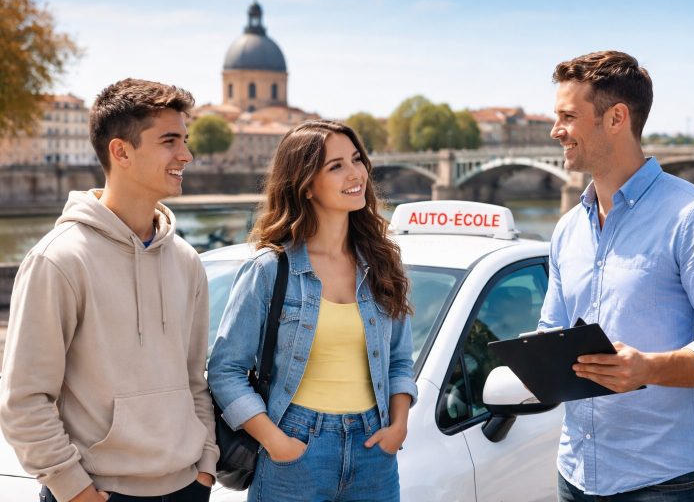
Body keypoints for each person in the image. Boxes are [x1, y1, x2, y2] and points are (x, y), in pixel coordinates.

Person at [539, 51, 694, 501]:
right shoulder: (567, 229)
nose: (555, 130)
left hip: (666, 481)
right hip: (575, 474)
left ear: (616, 117)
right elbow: (552, 331)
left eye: (567, 116)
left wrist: (648, 368)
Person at [0, 79, 218, 501]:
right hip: (97, 492)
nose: (186, 155)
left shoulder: (187, 260)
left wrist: (205, 466)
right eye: (169, 141)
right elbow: (24, 399)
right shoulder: (59, 260)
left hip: (187, 488)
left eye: (185, 140)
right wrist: (73, 489)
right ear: (121, 151)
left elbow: (194, 379)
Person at [207, 119, 417, 502]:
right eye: (335, 166)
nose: (355, 174)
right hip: (295, 447)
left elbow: (400, 360)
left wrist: (399, 426)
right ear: (305, 184)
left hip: (374, 449)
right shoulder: (270, 269)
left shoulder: (383, 263)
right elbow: (226, 369)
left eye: (357, 160)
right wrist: (276, 442)